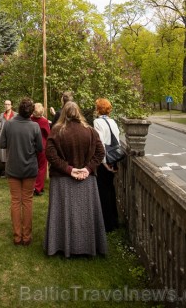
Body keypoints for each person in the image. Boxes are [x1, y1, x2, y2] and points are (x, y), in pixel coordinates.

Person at [44, 101, 107, 257]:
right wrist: (87, 169)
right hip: (86, 179)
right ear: (78, 112)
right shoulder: (91, 131)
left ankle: (61, 246)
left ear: (64, 113)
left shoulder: (57, 131)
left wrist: (69, 169)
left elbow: (50, 155)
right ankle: (88, 247)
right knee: (85, 215)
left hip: (63, 180)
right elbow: (101, 153)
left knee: (63, 215)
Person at [0, 97, 43, 245]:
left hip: (13, 168)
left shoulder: (9, 124)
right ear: (31, 112)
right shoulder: (34, 127)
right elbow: (40, 148)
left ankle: (18, 236)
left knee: (16, 201)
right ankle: (26, 237)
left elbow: (3, 144)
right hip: (30, 168)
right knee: (27, 201)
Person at [93, 97, 120, 232]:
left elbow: (100, 144)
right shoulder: (113, 121)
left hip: (105, 161)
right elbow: (117, 142)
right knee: (111, 189)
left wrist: (104, 163)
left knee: (103, 191)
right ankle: (114, 220)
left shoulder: (97, 122)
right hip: (113, 159)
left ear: (98, 109)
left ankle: (106, 224)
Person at [31, 103, 51, 196]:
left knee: (34, 166)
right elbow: (48, 134)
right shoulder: (44, 121)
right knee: (42, 167)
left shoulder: (30, 119)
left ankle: (38, 186)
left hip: (31, 145)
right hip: (42, 146)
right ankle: (38, 188)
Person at [0, 99, 15, 176]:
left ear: (11, 105)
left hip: (12, 139)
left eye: (8, 104)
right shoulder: (1, 115)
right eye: (5, 104)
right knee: (3, 156)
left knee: (12, 155)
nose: (7, 106)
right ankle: (4, 172)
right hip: (3, 138)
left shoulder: (15, 115)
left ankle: (12, 172)